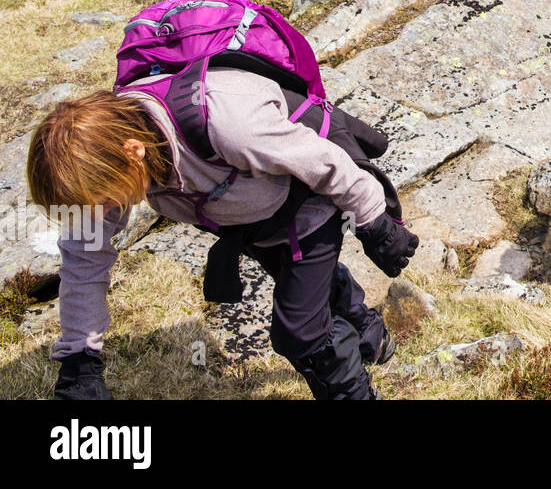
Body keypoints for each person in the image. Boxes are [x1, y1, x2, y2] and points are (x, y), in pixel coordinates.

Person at [27, 76, 419, 401]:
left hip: (308, 205)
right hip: (248, 221)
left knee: (300, 332)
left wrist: (374, 221)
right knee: (297, 282)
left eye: (103, 200)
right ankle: (372, 336)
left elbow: (327, 162)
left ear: (134, 152)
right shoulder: (109, 159)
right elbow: (83, 259)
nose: (101, 213)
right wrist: (79, 360)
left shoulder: (228, 123)